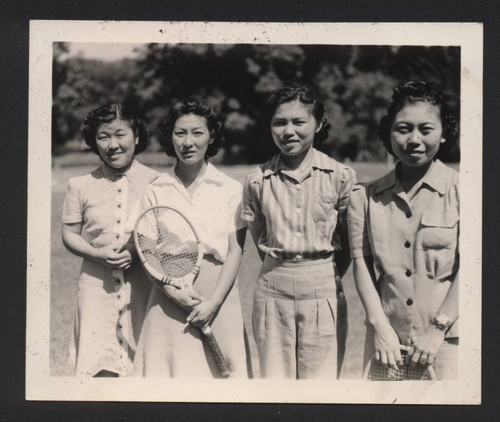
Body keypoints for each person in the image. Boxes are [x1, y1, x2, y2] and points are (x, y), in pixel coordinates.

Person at [241, 83, 356, 379]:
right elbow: (259, 235)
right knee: (274, 384)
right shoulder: (257, 180)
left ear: (318, 124)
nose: (288, 131)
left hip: (324, 287)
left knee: (320, 387)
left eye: (298, 121)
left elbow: (347, 244)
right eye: (279, 123)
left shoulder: (340, 177)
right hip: (272, 286)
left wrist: (317, 274)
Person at [348, 81, 460, 379]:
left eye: (425, 129)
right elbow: (361, 264)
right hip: (387, 342)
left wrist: (437, 330)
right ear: (388, 133)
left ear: (443, 132)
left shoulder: (465, 190)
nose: (414, 139)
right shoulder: (365, 197)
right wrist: (380, 328)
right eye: (403, 129)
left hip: (447, 341)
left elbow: (476, 267)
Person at [132, 98, 249, 378]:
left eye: (197, 132)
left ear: (212, 137)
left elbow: (235, 251)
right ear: (170, 137)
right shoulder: (156, 188)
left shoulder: (231, 187)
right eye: (180, 132)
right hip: (167, 291)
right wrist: (174, 291)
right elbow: (146, 250)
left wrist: (213, 303)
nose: (188, 142)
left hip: (217, 294)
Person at [62, 103, 159, 377]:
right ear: (94, 141)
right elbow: (70, 234)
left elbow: (162, 235)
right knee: (99, 367)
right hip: (95, 286)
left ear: (137, 137)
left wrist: (137, 251)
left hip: (142, 285)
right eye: (104, 136)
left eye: (120, 134)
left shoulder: (158, 182)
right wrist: (97, 255)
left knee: (142, 366)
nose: (113, 145)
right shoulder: (80, 185)